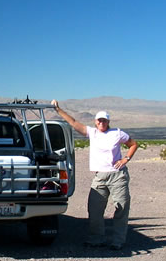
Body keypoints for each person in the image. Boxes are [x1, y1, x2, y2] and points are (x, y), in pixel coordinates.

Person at [51, 100, 138, 250]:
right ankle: (96, 239)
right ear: (95, 122)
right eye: (99, 120)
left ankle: (118, 241)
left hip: (117, 175)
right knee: (95, 209)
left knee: (121, 208)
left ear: (108, 121)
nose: (101, 123)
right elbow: (73, 122)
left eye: (104, 120)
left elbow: (133, 144)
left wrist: (126, 158)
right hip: (100, 177)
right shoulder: (92, 133)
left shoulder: (117, 133)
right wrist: (58, 110)